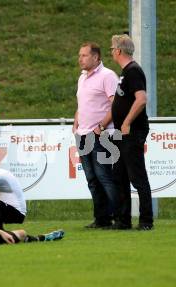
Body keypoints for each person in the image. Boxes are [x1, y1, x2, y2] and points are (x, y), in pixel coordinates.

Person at [73, 42, 119, 229]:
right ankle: (102, 219)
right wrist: (76, 119)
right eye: (80, 55)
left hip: (102, 135)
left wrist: (101, 126)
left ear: (96, 57)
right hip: (83, 134)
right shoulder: (82, 77)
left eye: (84, 55)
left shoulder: (108, 76)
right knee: (92, 179)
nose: (80, 59)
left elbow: (116, 104)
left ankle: (119, 217)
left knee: (104, 177)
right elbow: (83, 103)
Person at [110, 34, 153, 230]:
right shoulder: (125, 72)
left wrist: (126, 122)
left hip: (132, 131)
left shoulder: (134, 71)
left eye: (112, 48)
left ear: (118, 51)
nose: (111, 52)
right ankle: (123, 220)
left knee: (137, 176)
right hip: (121, 133)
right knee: (119, 175)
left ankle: (146, 221)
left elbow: (141, 99)